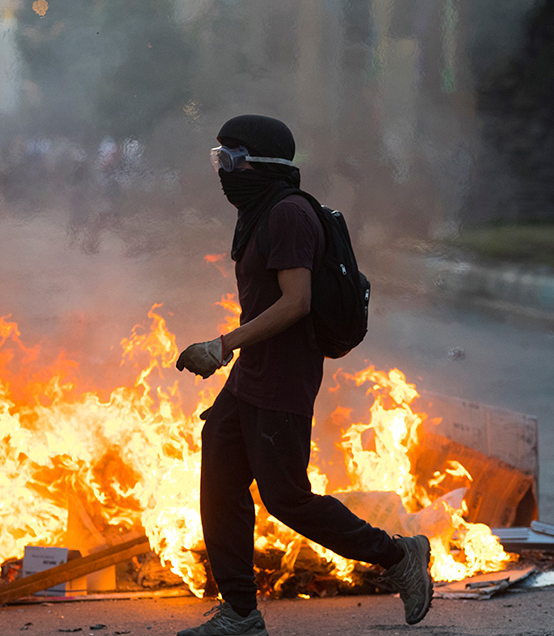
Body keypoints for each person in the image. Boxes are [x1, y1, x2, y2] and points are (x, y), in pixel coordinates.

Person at [174, 115, 433, 636]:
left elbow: (296, 303)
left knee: (286, 497)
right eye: (218, 159)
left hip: (282, 377)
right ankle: (241, 613)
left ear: (259, 164)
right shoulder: (259, 210)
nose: (223, 171)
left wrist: (221, 346)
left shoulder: (289, 214)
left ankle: (398, 555)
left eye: (231, 160)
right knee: (221, 473)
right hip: (254, 373)